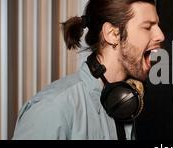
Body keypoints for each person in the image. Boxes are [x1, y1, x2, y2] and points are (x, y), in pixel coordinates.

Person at [13, 0, 165, 140]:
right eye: (147, 27)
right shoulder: (51, 109)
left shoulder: (124, 101)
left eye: (157, 26)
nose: (160, 35)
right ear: (112, 34)